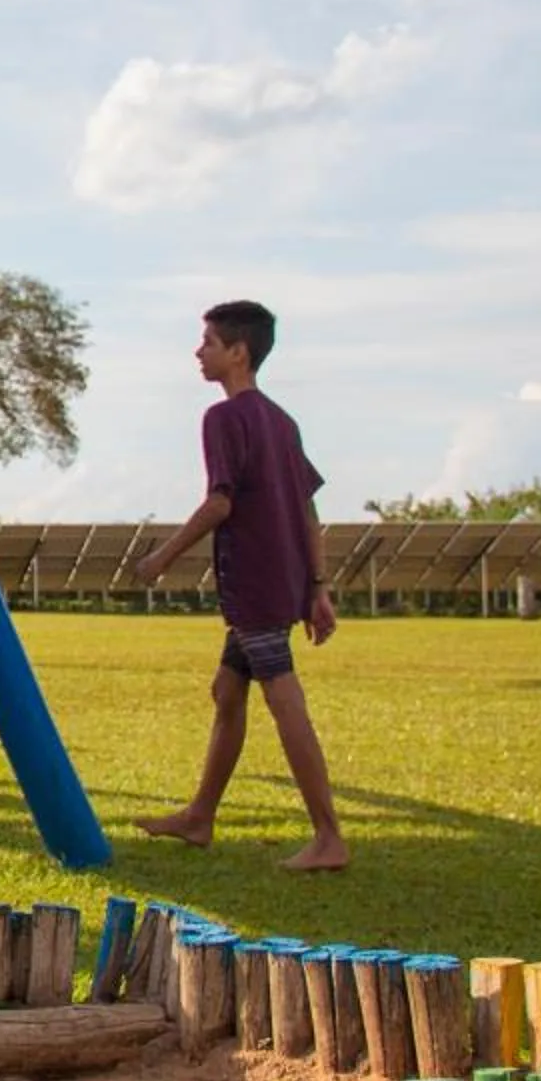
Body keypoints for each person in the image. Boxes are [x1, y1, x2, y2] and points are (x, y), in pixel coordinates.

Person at [130, 301, 350, 872]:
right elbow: (308, 510)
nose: (198, 352)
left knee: (285, 700)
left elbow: (220, 501)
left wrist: (160, 557)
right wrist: (318, 585)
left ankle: (328, 836)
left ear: (238, 352)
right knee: (228, 693)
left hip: (254, 583)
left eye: (207, 341)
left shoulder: (222, 419)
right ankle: (200, 816)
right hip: (281, 579)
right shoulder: (281, 421)